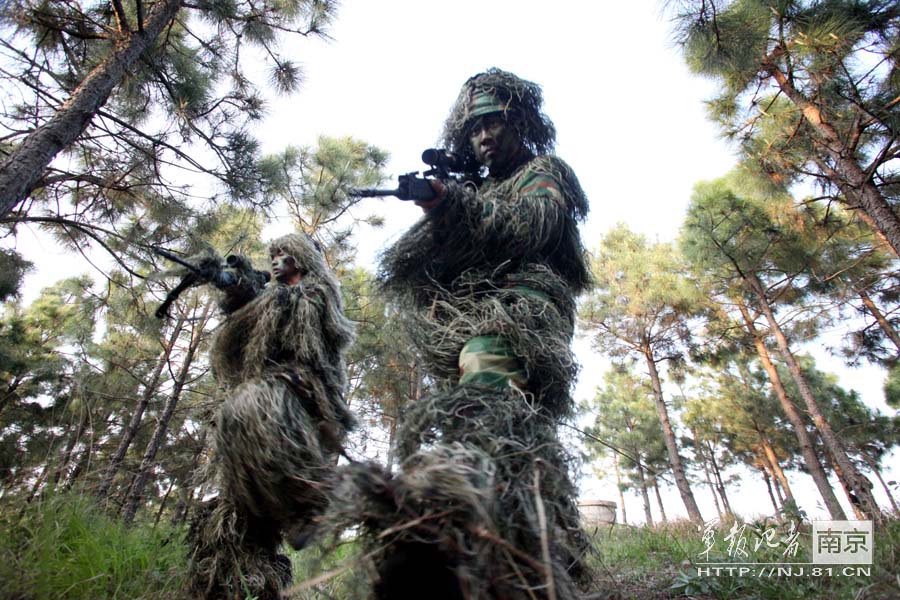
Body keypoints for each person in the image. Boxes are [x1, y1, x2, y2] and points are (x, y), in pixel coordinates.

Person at [341, 68, 594, 599]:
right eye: (474, 128)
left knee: (484, 392)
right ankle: (545, 563)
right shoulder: (477, 188)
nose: (483, 136)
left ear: (520, 120)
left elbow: (533, 226)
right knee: (520, 439)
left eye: (494, 122)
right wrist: (442, 206)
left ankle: (478, 555)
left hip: (524, 310)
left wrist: (451, 203)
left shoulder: (544, 172)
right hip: (479, 313)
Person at [186, 232, 355, 600]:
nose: (276, 261)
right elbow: (249, 317)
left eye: (284, 254)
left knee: (247, 409)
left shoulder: (316, 293)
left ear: (302, 258)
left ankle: (309, 501)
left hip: (297, 396)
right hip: (261, 403)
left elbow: (299, 322)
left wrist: (252, 291)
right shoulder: (271, 294)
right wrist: (232, 287)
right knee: (235, 517)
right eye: (272, 255)